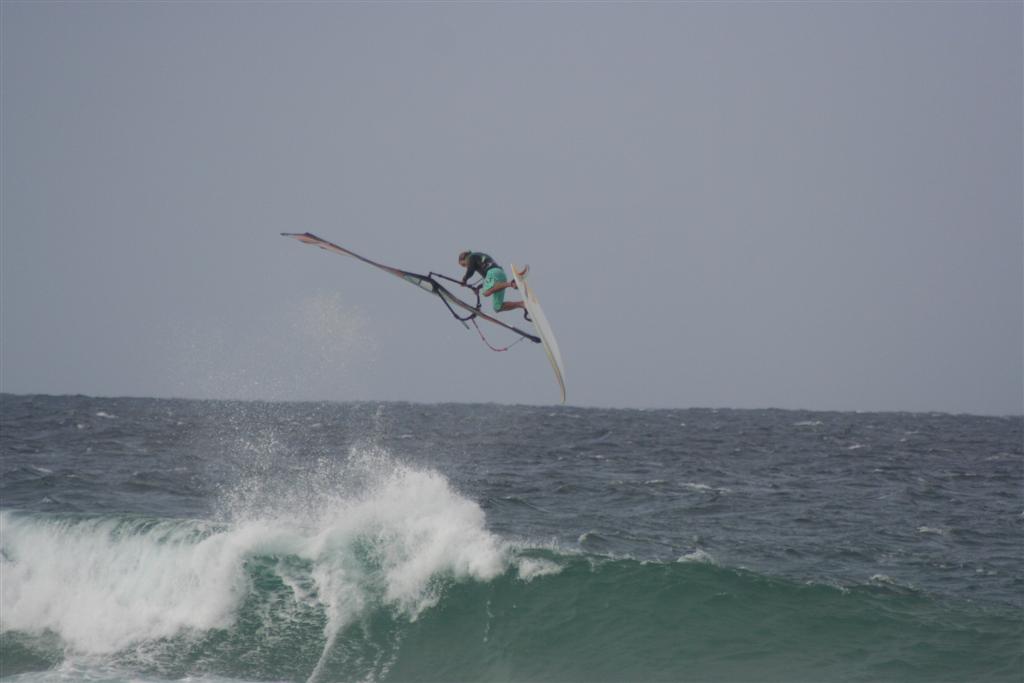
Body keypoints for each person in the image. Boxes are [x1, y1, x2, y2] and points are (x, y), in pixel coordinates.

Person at [458, 250, 525, 314]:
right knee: (498, 307)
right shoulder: (478, 256)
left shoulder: (471, 257)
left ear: (464, 258)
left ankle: (511, 284)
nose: (466, 266)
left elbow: (470, 271)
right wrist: (479, 287)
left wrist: (464, 280)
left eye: (464, 265)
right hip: (500, 274)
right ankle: (521, 304)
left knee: (485, 292)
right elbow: (489, 281)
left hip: (493, 272)